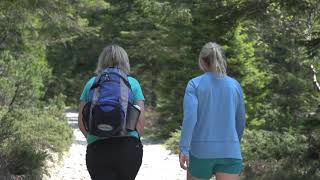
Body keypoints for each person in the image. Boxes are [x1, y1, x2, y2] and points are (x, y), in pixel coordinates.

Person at [179, 42, 246, 180]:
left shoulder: (194, 84)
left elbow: (190, 118)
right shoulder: (235, 85)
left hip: (200, 152)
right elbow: (240, 121)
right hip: (230, 152)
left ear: (202, 61)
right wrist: (233, 144)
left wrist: (184, 148)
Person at [78, 44, 145, 180]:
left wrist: (94, 137)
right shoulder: (133, 83)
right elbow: (140, 123)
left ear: (101, 61)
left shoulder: (91, 83)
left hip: (98, 149)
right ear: (125, 61)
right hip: (127, 149)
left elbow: (81, 122)